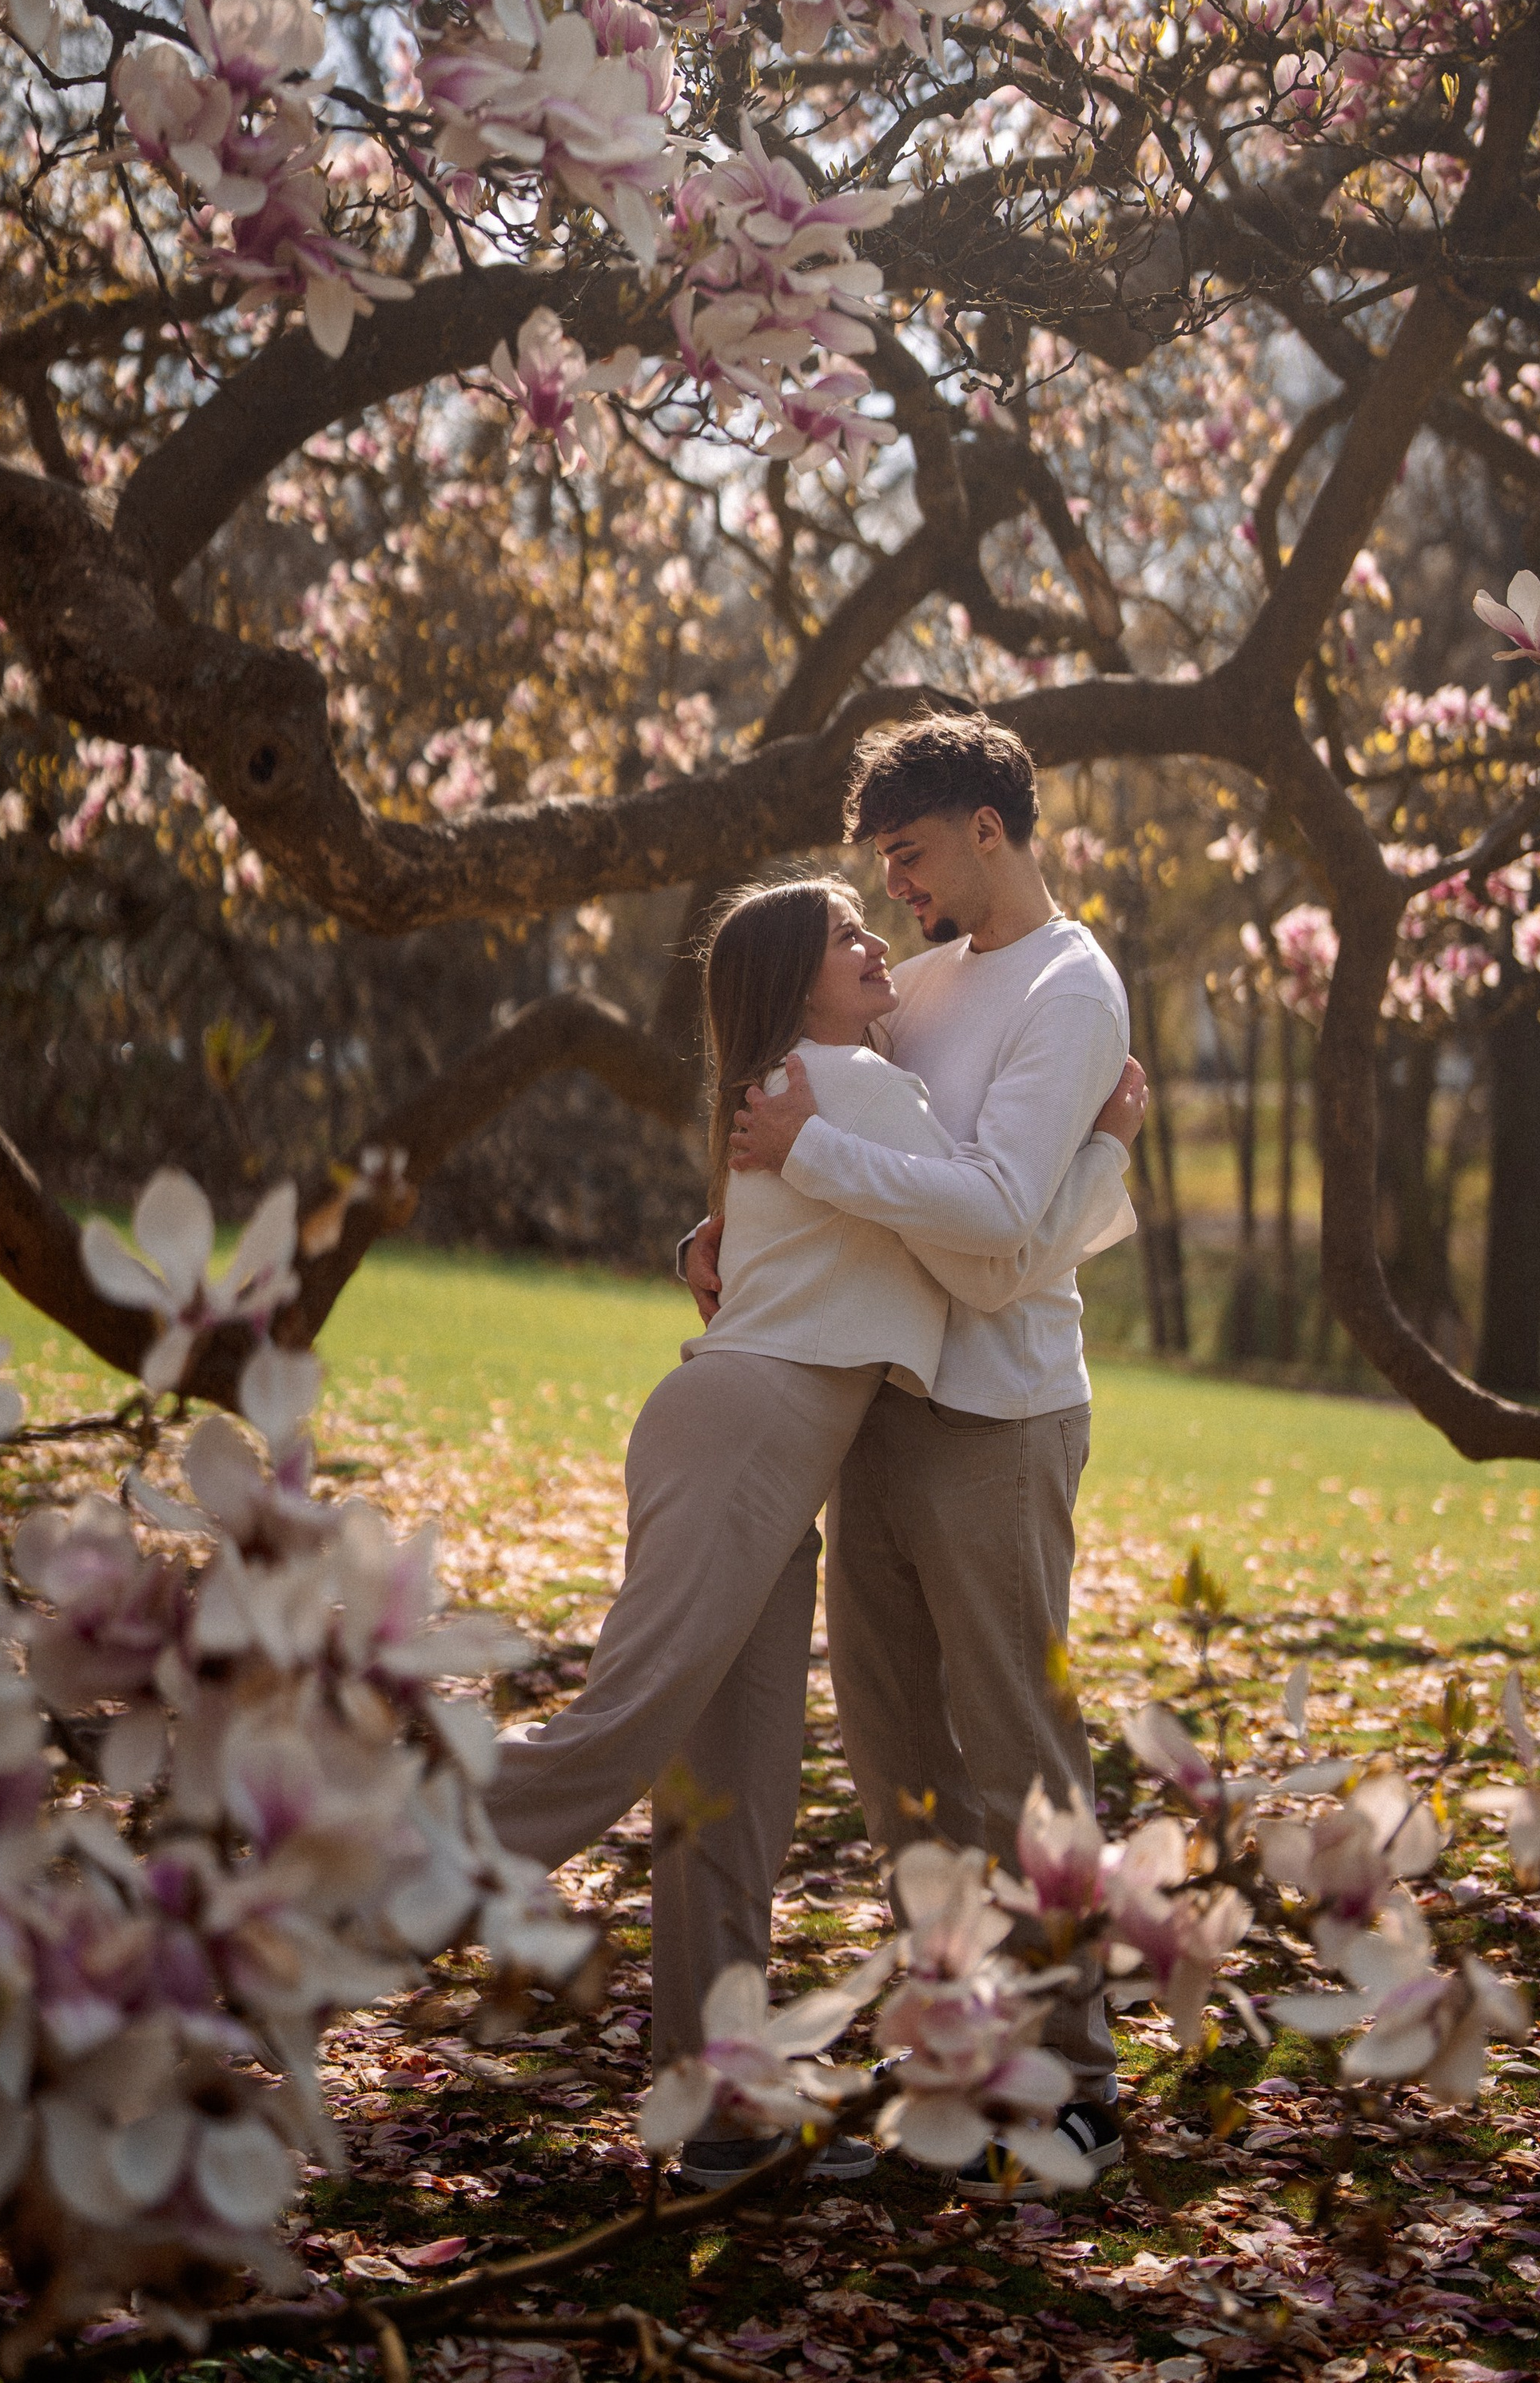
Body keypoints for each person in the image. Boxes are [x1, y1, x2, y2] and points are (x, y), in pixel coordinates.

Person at [484, 871, 1143, 2187]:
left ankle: (716, 2099)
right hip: (749, 1432)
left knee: (730, 1783)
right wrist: (1110, 1153)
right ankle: (367, 1857)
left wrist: (731, 1225)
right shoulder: (840, 1090)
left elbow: (827, 1223)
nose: (879, 932)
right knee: (623, 1734)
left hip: (773, 1439)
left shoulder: (815, 1082)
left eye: (872, 913)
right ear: (792, 985)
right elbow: (990, 1245)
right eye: (847, 931)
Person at [690, 711, 1133, 2195]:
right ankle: (953, 2036)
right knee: (895, 1756)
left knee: (1015, 1751)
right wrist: (744, 1218)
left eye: (917, 852)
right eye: (885, 862)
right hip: (877, 1398)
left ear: (991, 831)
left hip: (999, 1415)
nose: (900, 891)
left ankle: (1074, 2077)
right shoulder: (923, 984)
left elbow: (1000, 1232)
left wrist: (807, 1158)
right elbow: (880, 1169)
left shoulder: (1074, 990)